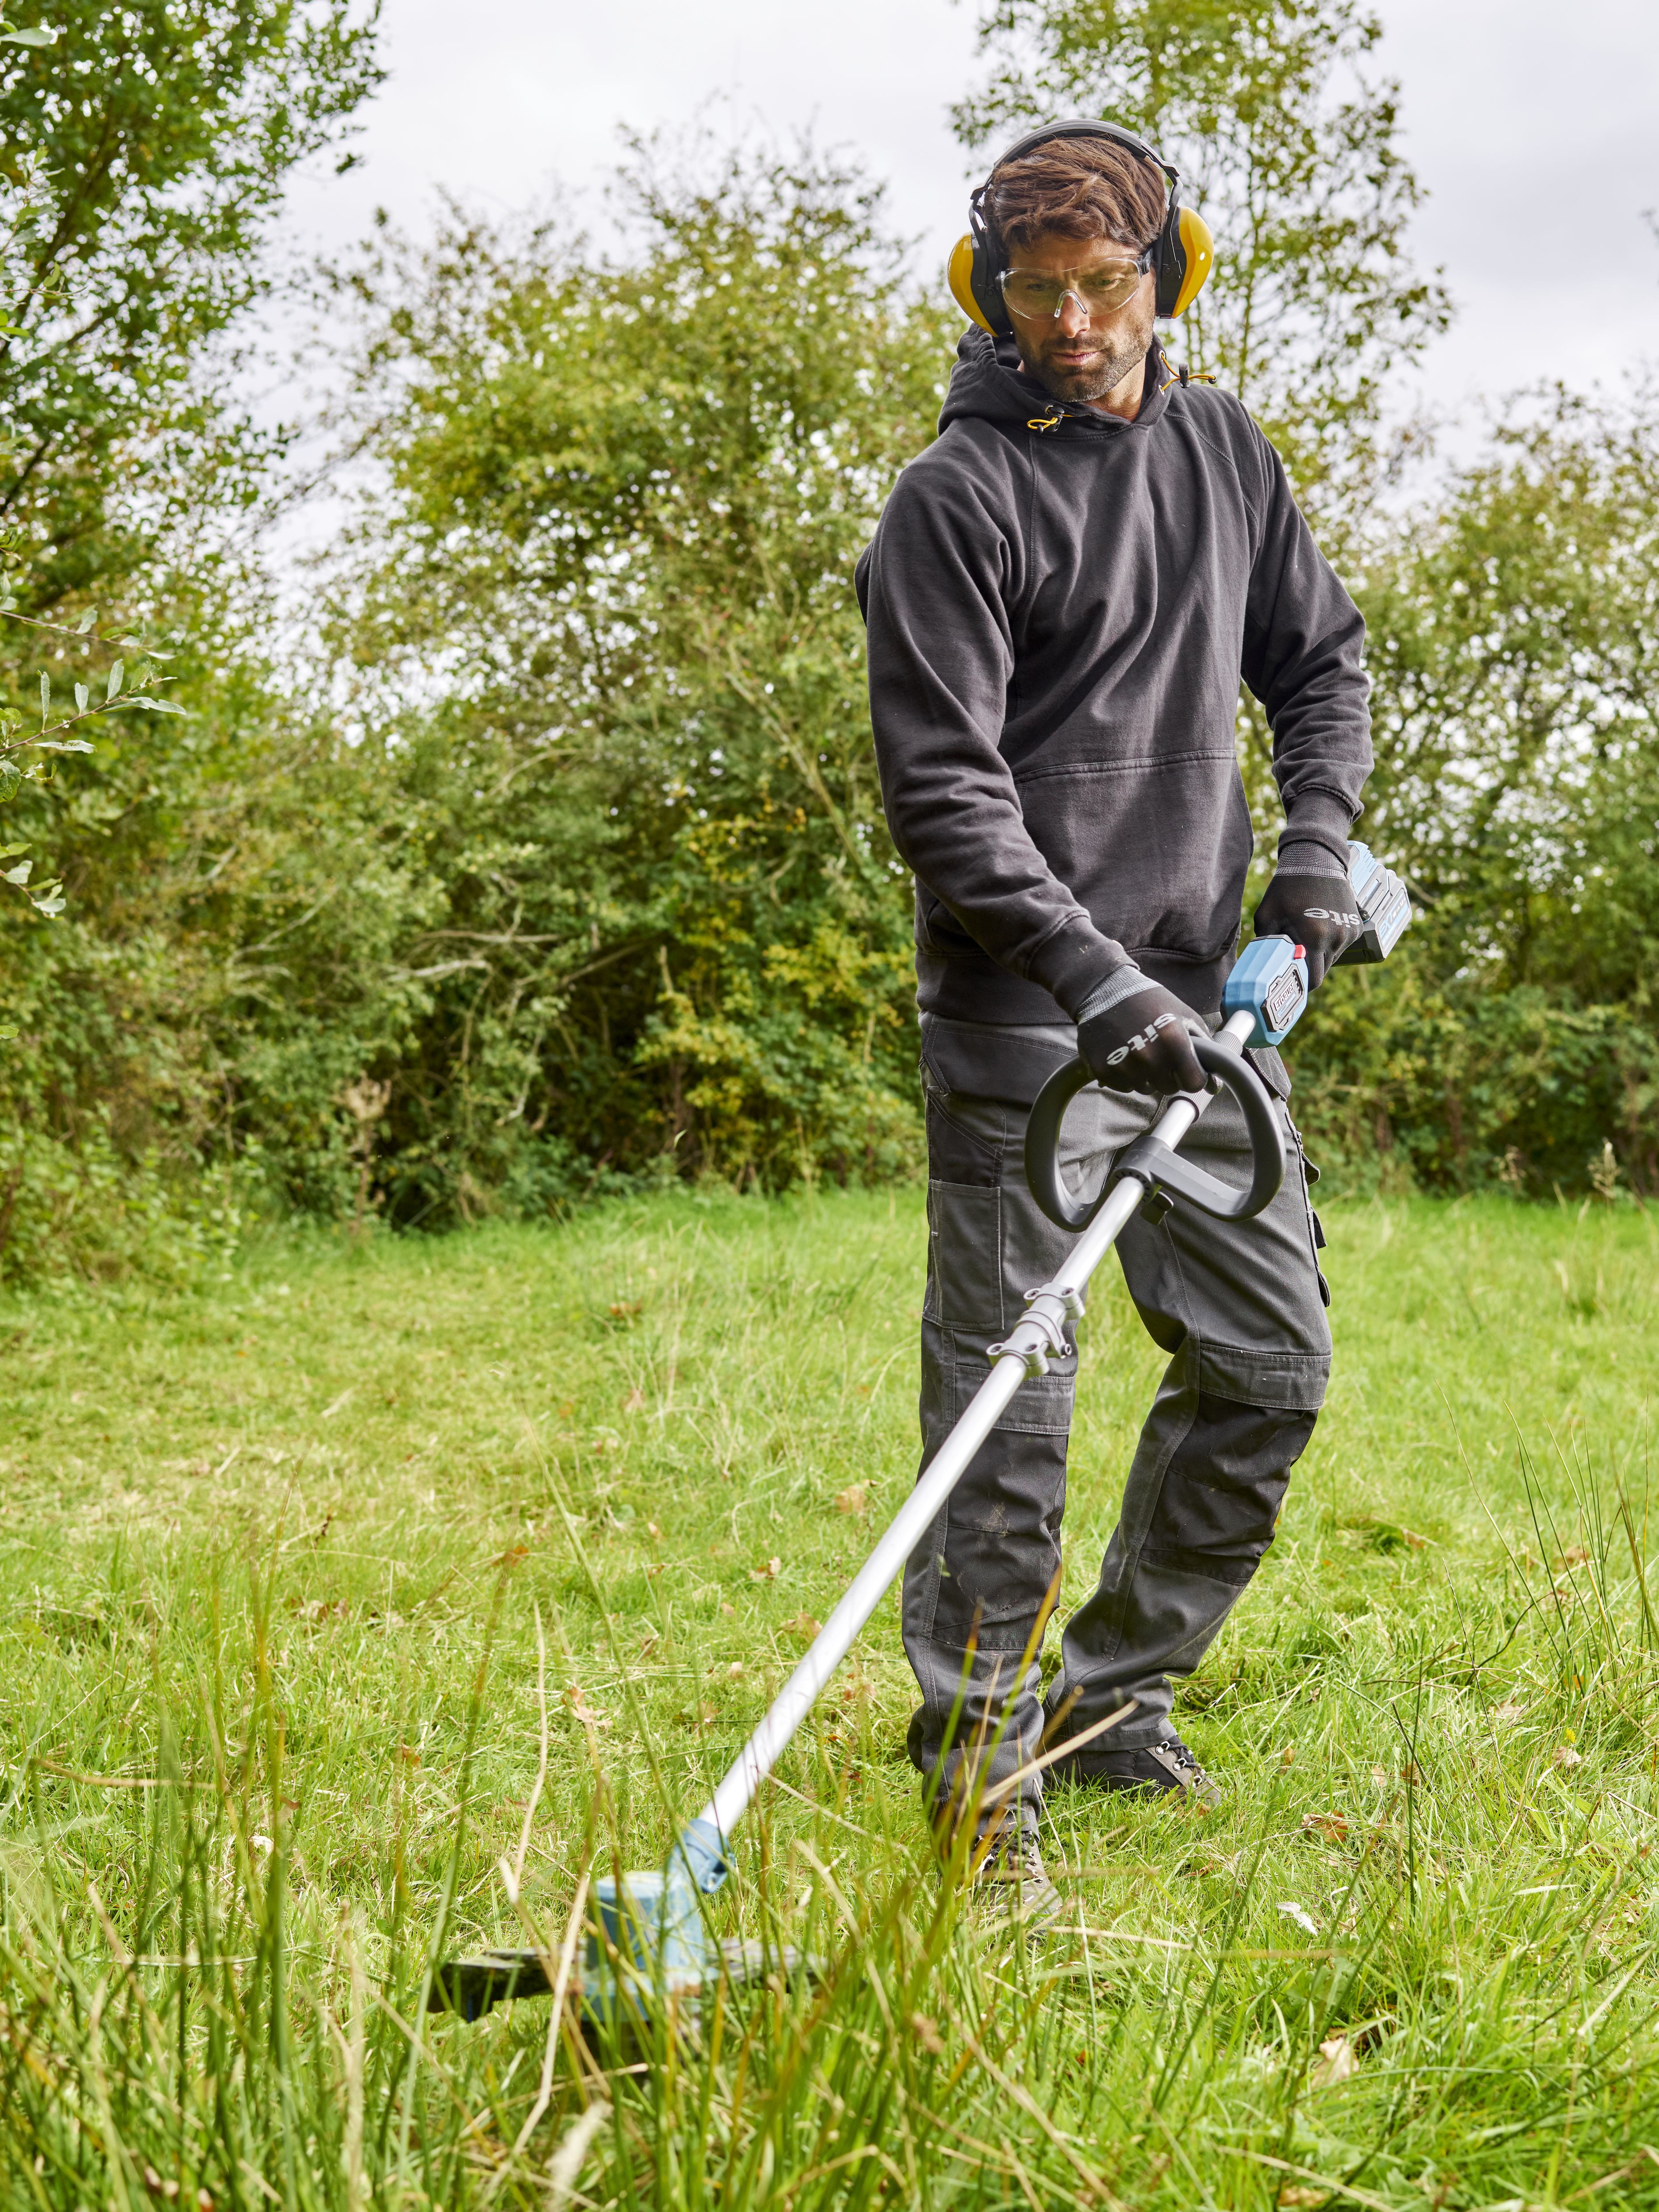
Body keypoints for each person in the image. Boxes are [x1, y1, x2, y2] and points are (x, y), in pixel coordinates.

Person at [854, 119, 1373, 1920]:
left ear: (1165, 277)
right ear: (986, 292)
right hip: (1027, 1022)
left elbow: (1315, 661)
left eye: (1101, 285)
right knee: (1009, 1413)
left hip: (1203, 1017)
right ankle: (978, 1783)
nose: (1070, 323)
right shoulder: (952, 502)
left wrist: (1311, 867)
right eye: (1034, 291)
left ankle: (1110, 1697)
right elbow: (946, 798)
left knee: (1268, 1362)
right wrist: (1097, 985)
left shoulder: (1222, 450)